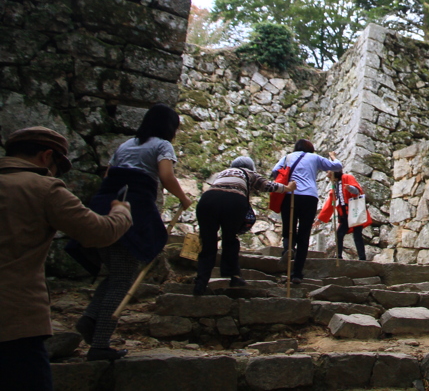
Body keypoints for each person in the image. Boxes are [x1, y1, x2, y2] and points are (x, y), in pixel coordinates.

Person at [0, 126, 133, 391]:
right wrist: (122, 212)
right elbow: (98, 232)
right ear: (46, 156)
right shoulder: (43, 188)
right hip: (15, 318)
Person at [71, 104, 191, 362]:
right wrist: (183, 199)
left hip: (103, 206)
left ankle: (91, 318)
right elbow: (166, 176)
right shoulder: (162, 146)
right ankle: (100, 343)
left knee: (116, 273)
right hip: (132, 210)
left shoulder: (125, 145)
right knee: (123, 280)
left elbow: (108, 174)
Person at [193, 156, 296, 295]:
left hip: (207, 200)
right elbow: (268, 186)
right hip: (233, 201)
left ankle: (200, 282)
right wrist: (287, 188)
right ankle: (233, 276)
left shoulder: (222, 173)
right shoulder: (248, 173)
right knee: (230, 239)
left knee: (208, 242)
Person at [271, 139, 341, 283]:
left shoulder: (288, 157)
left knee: (289, 227)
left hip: (290, 194)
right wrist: (333, 157)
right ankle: (297, 274)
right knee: (304, 234)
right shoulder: (314, 158)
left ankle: (288, 249)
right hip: (309, 196)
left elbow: (274, 172)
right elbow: (337, 166)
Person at [315, 170, 371, 261]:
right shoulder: (334, 185)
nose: (327, 174)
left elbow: (357, 191)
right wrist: (320, 218)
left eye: (329, 171)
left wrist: (350, 189)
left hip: (354, 211)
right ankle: (339, 256)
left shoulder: (347, 177)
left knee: (357, 235)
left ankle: (362, 257)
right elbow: (330, 203)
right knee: (339, 234)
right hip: (344, 215)